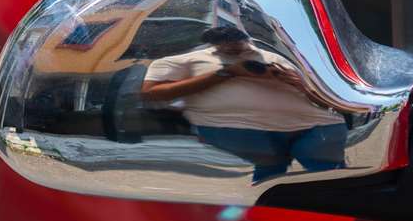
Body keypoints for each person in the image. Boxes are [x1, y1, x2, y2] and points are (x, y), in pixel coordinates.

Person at [142, 26, 347, 182]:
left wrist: (301, 85)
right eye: (223, 41)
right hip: (240, 129)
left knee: (330, 180)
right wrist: (227, 72)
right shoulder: (186, 60)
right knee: (268, 183)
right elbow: (152, 93)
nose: (230, 45)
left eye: (235, 40)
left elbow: (323, 100)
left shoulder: (273, 57)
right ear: (212, 43)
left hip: (316, 125)